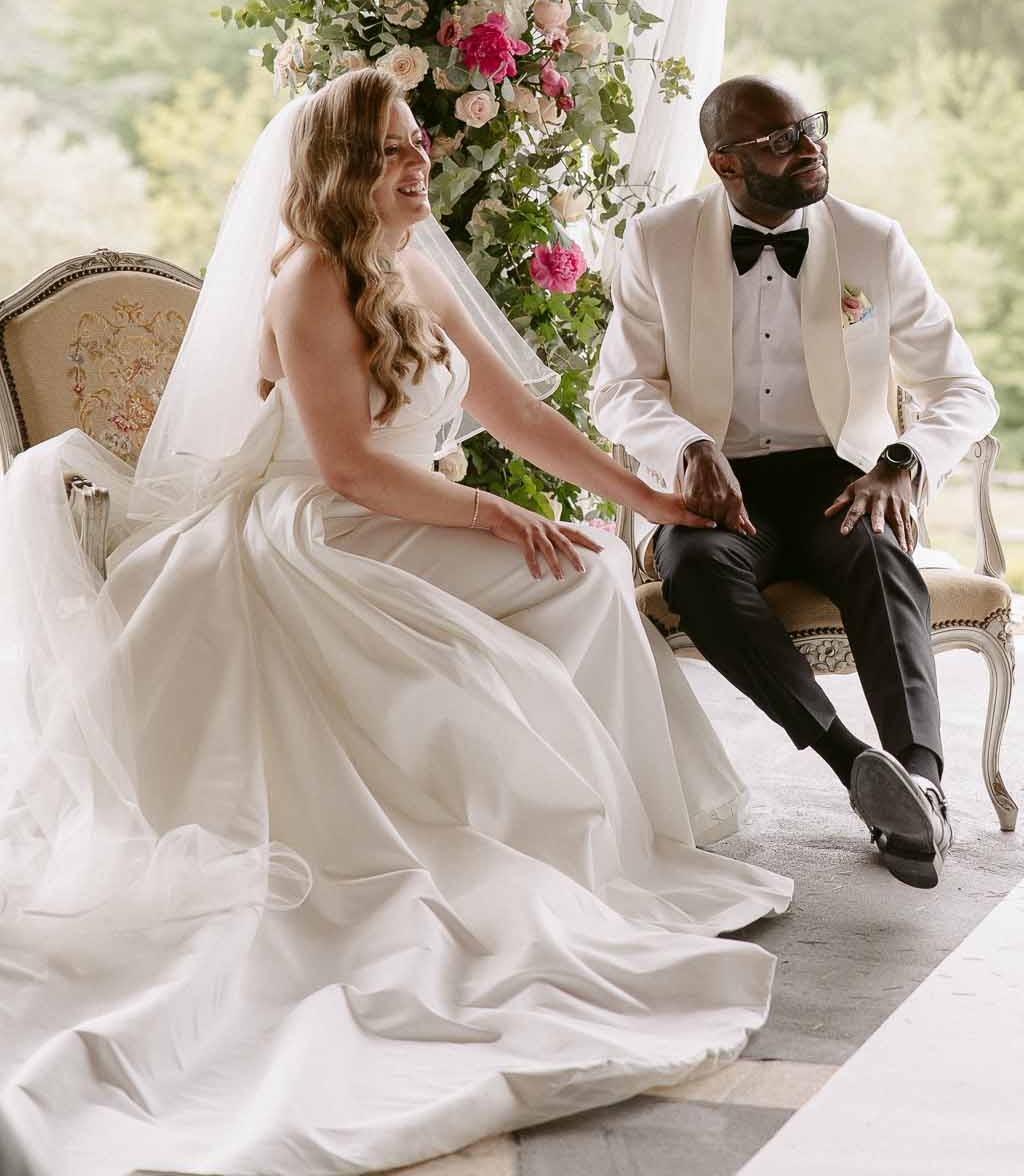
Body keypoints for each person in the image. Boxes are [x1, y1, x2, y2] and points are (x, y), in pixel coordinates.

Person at [0, 69, 791, 1176]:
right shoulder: (311, 278)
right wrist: (494, 510)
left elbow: (514, 411)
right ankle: (535, 837)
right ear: (339, 169)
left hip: (398, 507)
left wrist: (647, 499)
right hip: (316, 528)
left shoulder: (410, 265)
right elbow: (349, 467)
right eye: (389, 151)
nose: (417, 162)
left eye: (419, 141)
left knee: (591, 569)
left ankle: (622, 842)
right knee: (554, 583)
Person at [591, 76, 998, 890]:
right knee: (699, 573)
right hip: (717, 482)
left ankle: (922, 786)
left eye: (809, 128)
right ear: (723, 163)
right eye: (777, 140)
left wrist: (901, 463)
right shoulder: (656, 242)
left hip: (838, 473)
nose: (808, 146)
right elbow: (619, 388)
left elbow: (963, 388)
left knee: (882, 561)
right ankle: (856, 769)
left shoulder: (872, 242)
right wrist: (686, 444)